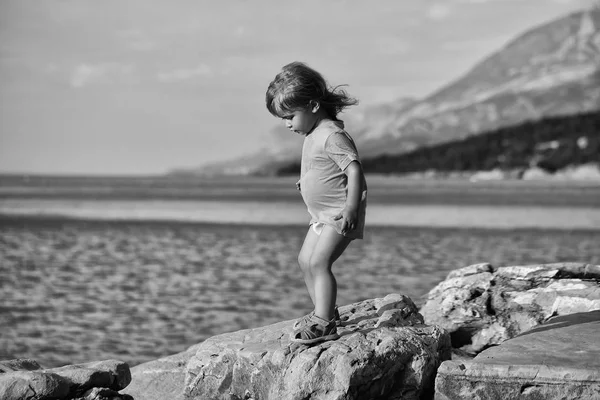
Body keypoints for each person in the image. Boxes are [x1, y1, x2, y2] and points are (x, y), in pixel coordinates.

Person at [265, 62, 367, 344]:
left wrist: (350, 208)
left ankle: (325, 322)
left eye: (289, 116)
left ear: (311, 105)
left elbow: (354, 170)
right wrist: (307, 180)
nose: (287, 124)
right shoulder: (312, 133)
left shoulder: (333, 135)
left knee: (320, 262)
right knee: (304, 261)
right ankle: (322, 311)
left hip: (338, 213)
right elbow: (320, 165)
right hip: (320, 214)